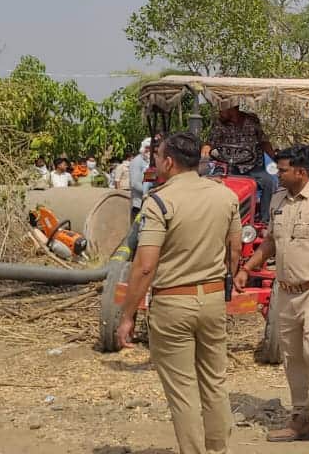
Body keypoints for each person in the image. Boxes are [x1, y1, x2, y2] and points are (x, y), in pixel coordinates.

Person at [114, 132, 239, 454]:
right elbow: (234, 248)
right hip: (212, 300)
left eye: (157, 157)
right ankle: (218, 449)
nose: (154, 161)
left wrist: (128, 315)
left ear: (168, 162)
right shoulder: (224, 195)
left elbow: (144, 266)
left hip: (173, 302)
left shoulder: (159, 201)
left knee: (183, 391)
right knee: (214, 382)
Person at [235, 147, 309, 449]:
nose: (278, 174)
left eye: (283, 169)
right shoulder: (277, 200)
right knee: (292, 358)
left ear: (300, 172)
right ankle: (302, 418)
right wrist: (247, 268)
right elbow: (270, 243)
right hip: (287, 291)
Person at [207, 103, 276, 206]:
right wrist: (204, 153)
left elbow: (263, 141)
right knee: (211, 184)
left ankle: (264, 218)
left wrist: (275, 159)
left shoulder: (252, 121)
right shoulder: (219, 124)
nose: (219, 112)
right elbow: (210, 144)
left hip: (252, 167)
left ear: (232, 108)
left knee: (269, 182)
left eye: (222, 109)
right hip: (227, 166)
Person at [129, 138, 151, 217]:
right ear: (143, 148)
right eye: (147, 148)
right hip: (138, 203)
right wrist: (147, 192)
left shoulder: (149, 162)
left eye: (151, 148)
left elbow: (149, 181)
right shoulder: (137, 161)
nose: (149, 150)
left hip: (148, 202)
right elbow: (134, 184)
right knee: (137, 227)